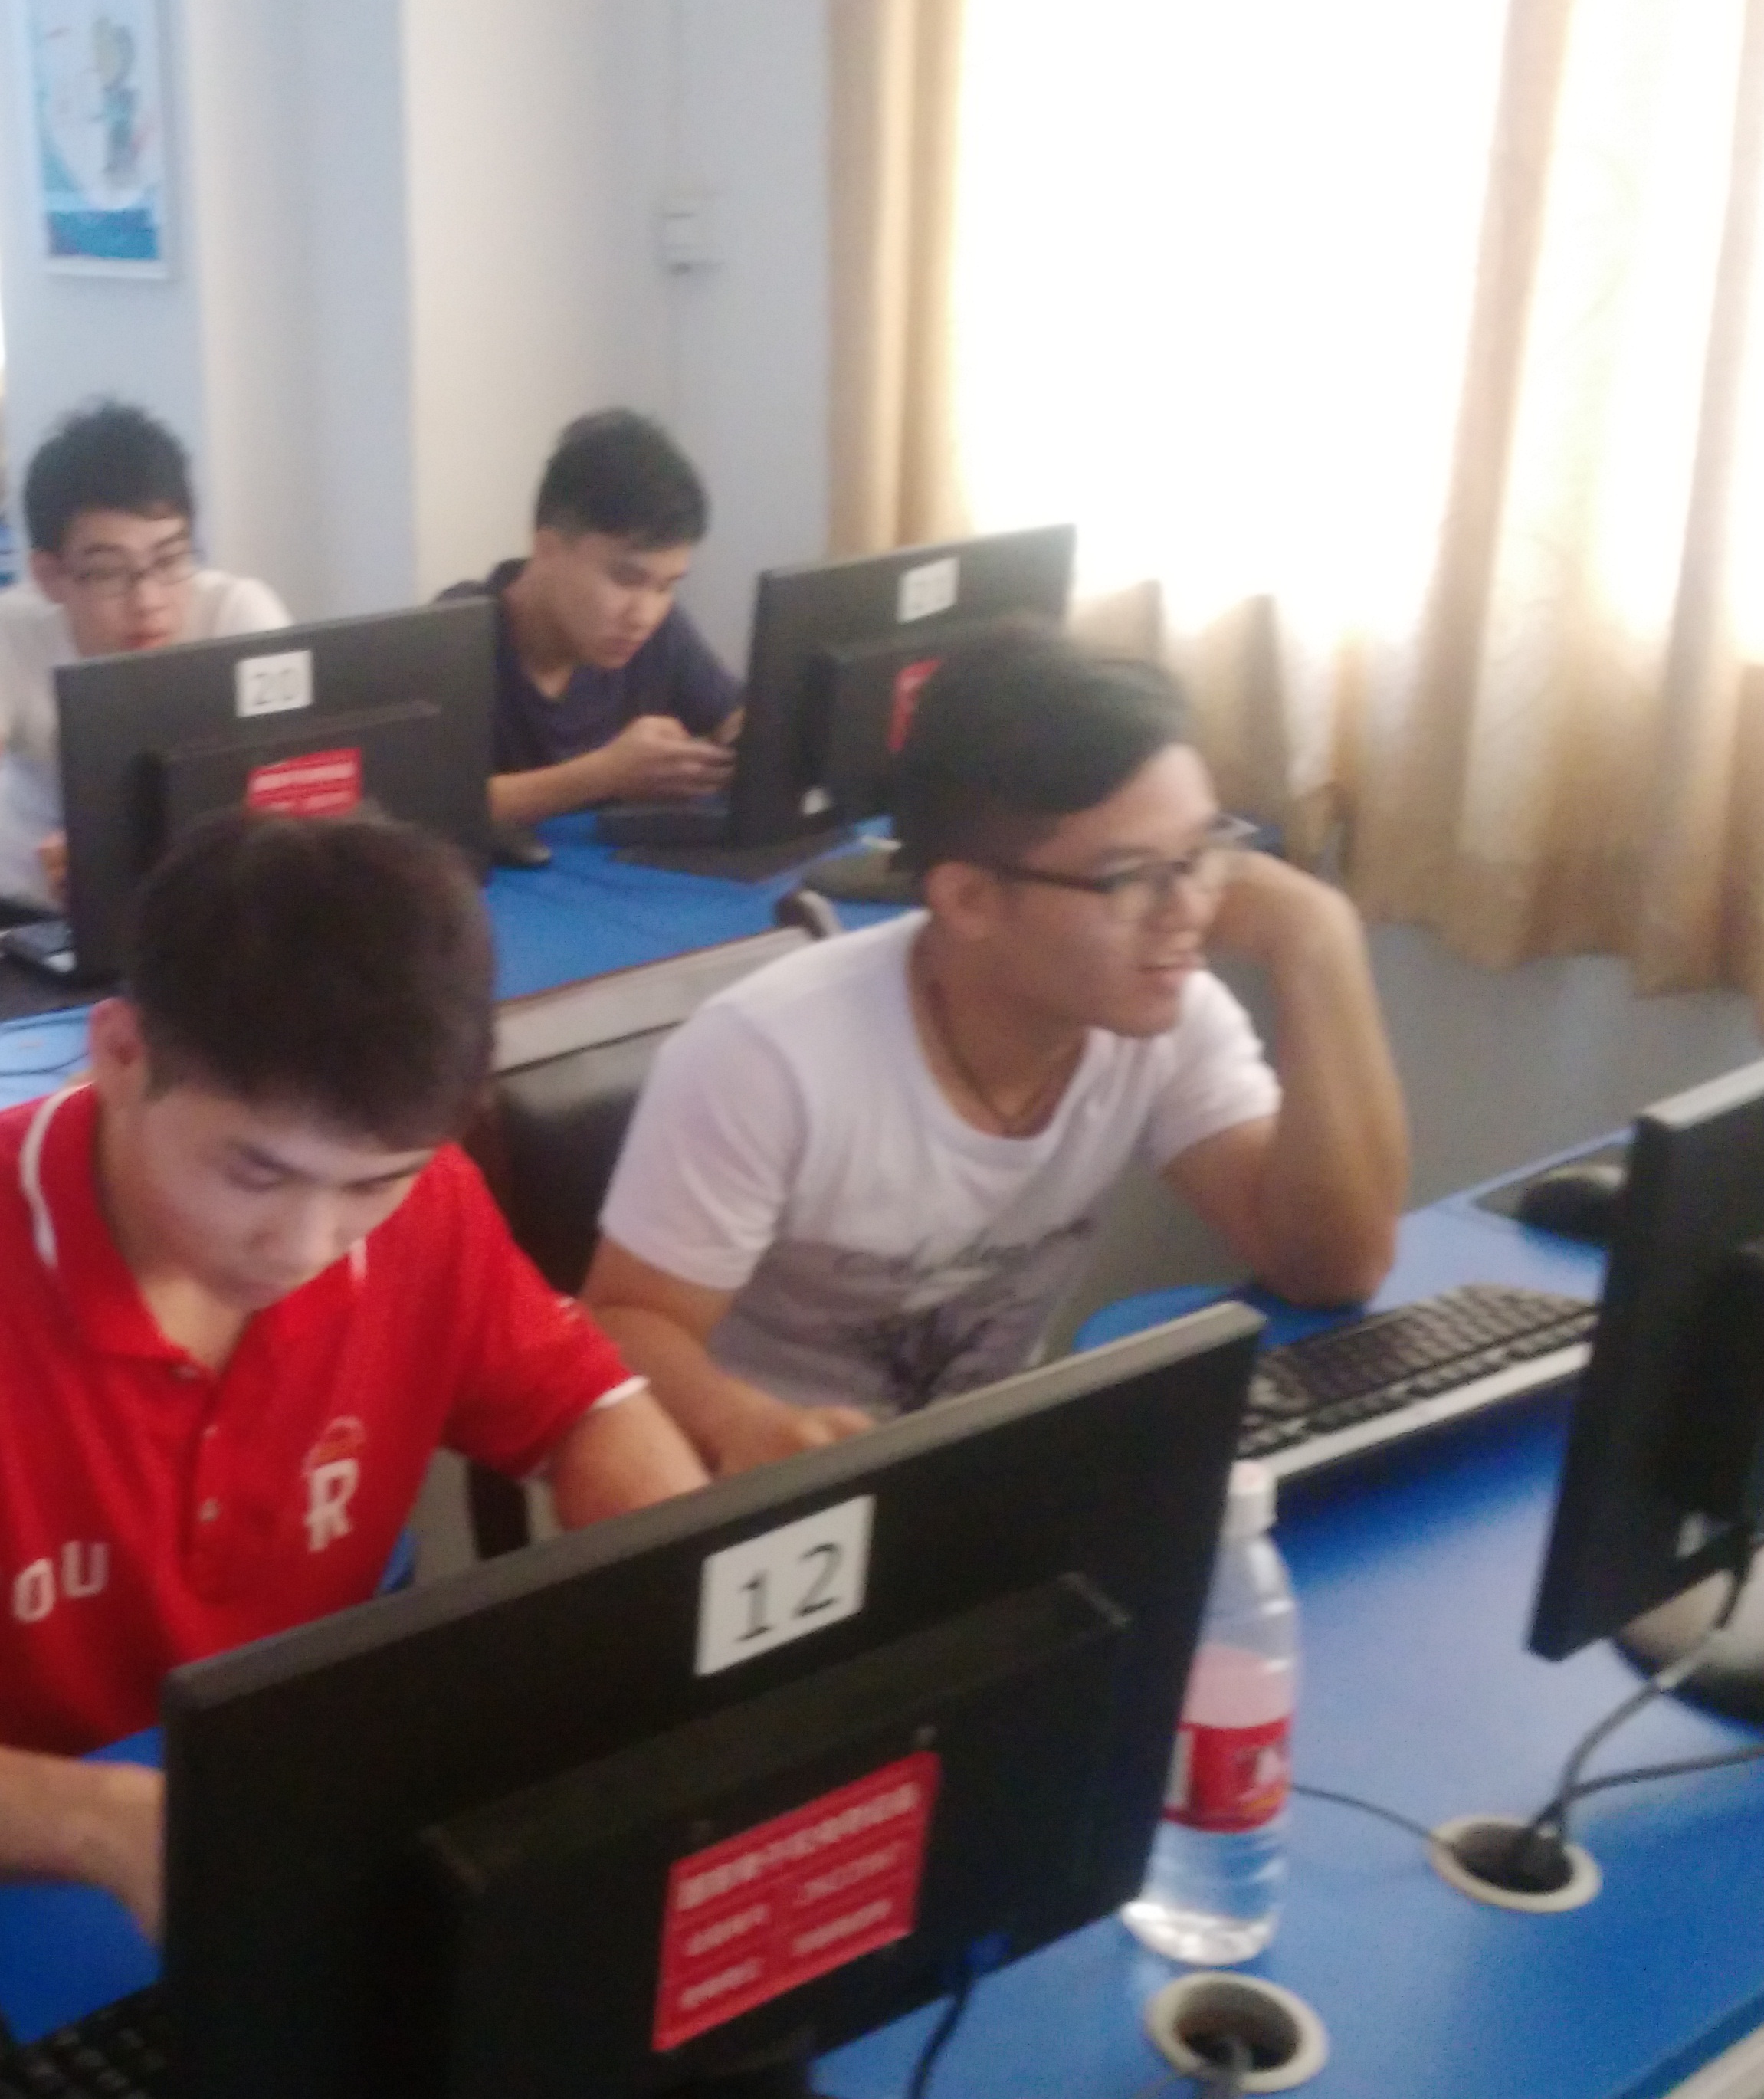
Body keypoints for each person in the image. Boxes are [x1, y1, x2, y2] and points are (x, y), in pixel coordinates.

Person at [0, 812, 710, 1928]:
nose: (307, 1244)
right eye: (255, 1173)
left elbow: (591, 1413)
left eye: (371, 1185)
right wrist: (112, 1825)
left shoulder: (429, 1209)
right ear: (120, 1056)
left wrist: (685, 1644)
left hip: (251, 1826)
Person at [582, 622, 1407, 1474]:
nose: (1187, 910)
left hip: (989, 1470)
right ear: (969, 899)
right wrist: (739, 1425)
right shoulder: (765, 1059)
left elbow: (1332, 1268)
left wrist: (1320, 943)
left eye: (1198, 856)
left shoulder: (1164, 1011)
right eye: (1131, 877)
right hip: (770, 1492)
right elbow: (624, 1325)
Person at [0, 398, 287, 998]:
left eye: (170, 559)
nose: (148, 600)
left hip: (199, 913)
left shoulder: (237, 613)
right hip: (15, 914)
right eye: (109, 571)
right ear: (50, 575)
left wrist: (122, 862)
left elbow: (286, 785)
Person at [443, 408, 740, 828]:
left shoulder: (655, 630)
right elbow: (420, 808)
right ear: (547, 550)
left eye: (666, 586)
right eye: (626, 579)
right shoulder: (453, 639)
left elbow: (732, 716)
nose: (644, 615)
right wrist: (603, 775)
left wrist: (744, 740)